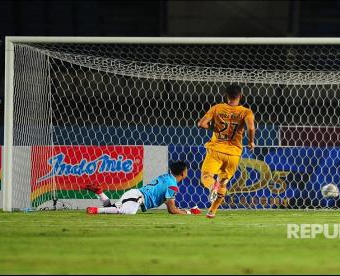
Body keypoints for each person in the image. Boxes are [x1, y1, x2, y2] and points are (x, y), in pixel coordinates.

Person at [197, 84, 256, 218]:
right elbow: (251, 128)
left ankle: (212, 187)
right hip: (234, 154)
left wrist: (210, 127)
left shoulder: (217, 108)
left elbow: (201, 124)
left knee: (207, 177)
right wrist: (251, 141)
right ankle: (212, 211)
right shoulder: (246, 112)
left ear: (226, 96)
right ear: (241, 96)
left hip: (216, 149)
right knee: (223, 182)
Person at [83, 161, 201, 215]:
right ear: (183, 173)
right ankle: (95, 210)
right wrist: (189, 213)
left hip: (135, 195)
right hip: (138, 197)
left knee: (111, 209)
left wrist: (187, 209)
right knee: (128, 212)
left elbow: (170, 204)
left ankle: (100, 193)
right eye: (186, 170)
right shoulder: (173, 186)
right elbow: (172, 210)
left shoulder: (167, 177)